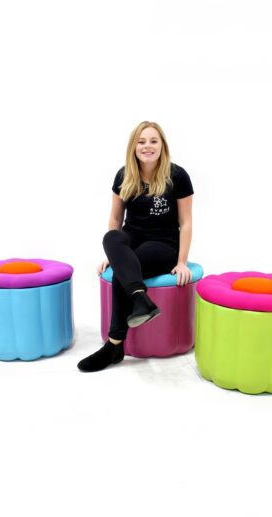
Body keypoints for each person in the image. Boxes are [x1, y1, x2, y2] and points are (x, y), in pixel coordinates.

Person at [77, 121, 194, 372]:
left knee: (125, 270)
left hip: (163, 244)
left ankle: (114, 345)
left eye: (153, 141)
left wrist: (182, 261)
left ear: (162, 146)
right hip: (131, 240)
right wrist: (113, 255)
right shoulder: (124, 175)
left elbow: (185, 223)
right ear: (133, 146)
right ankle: (140, 299)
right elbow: (115, 220)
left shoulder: (177, 176)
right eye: (141, 141)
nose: (147, 146)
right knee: (111, 238)